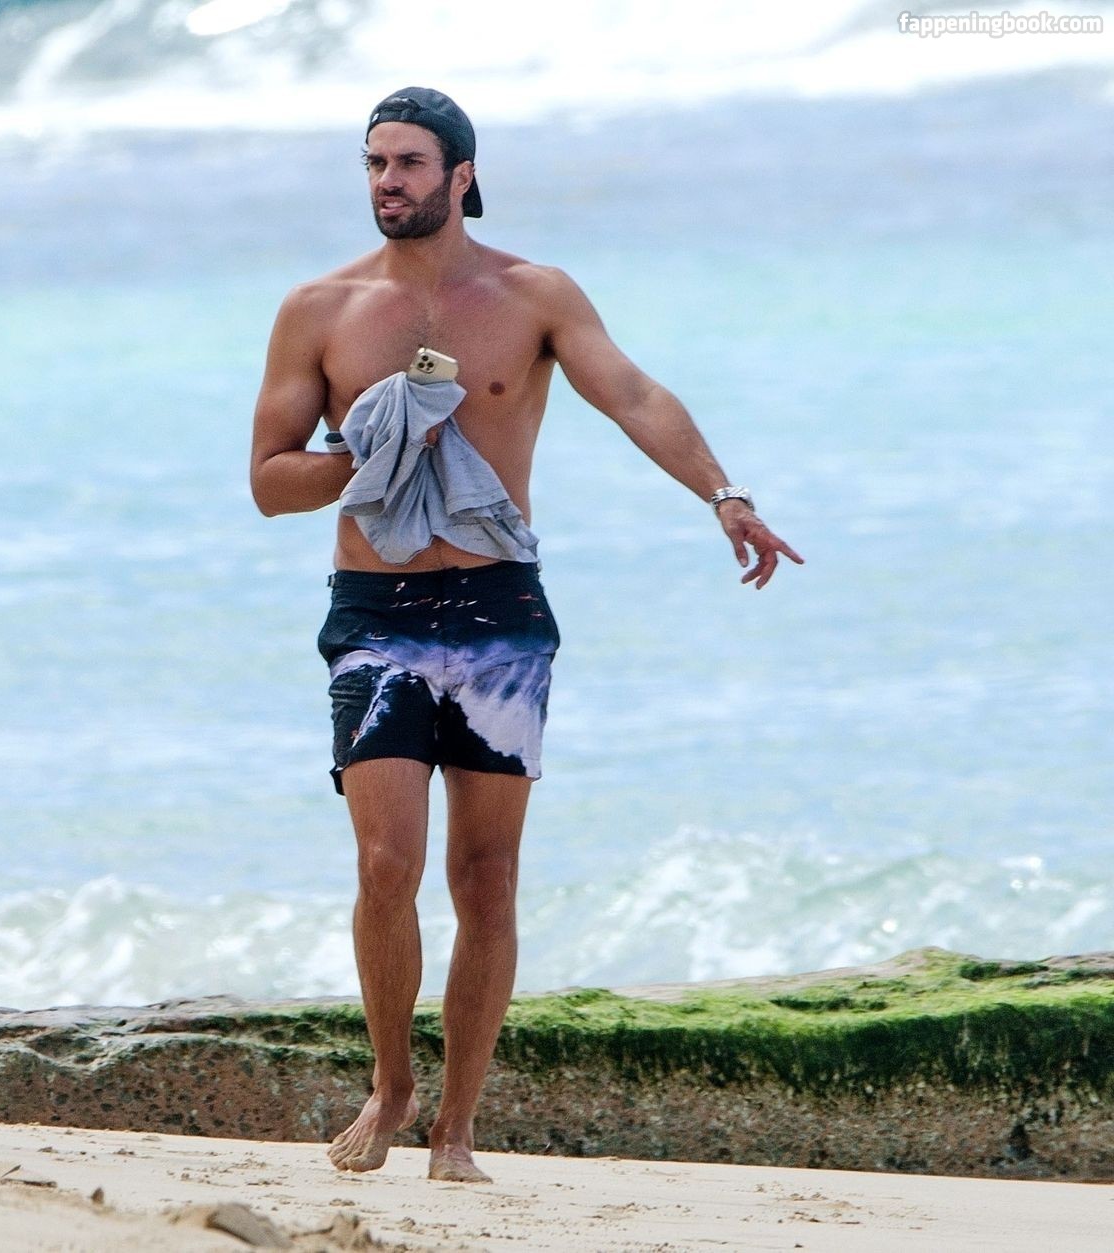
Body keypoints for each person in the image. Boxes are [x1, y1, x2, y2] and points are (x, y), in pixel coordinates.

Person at [248, 88, 802, 1182]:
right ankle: (392, 1085)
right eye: (373, 163)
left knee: (487, 877)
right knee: (385, 862)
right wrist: (374, 449)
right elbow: (269, 483)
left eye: (408, 163)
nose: (387, 182)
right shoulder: (318, 309)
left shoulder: (533, 294)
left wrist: (723, 493)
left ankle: (457, 1127)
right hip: (376, 615)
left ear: (461, 175)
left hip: (501, 613)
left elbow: (633, 394)